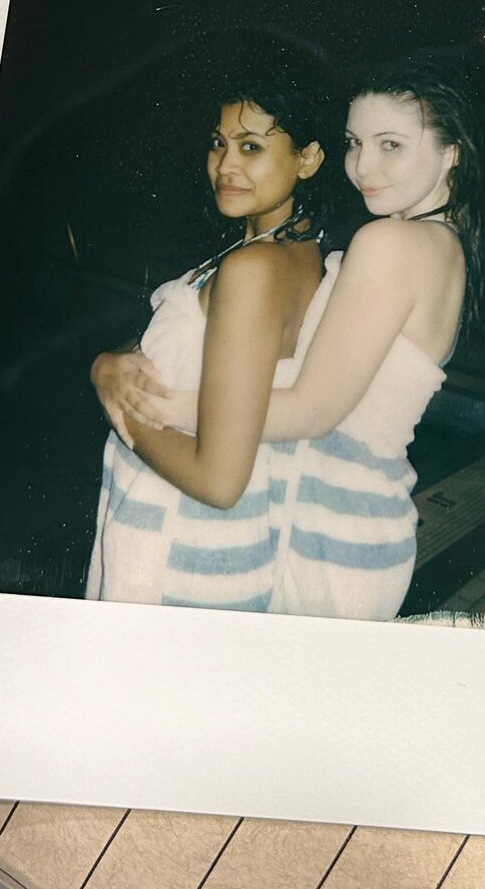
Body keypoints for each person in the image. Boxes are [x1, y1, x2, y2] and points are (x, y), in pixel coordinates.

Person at [100, 59, 482, 621]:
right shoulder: (439, 243)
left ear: (452, 152)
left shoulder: (391, 244)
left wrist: (138, 403)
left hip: (334, 534)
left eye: (391, 145)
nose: (363, 166)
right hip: (353, 524)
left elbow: (312, 410)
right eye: (354, 143)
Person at [85, 57, 348, 613]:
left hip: (176, 555)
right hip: (196, 545)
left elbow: (219, 479)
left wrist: (115, 399)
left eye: (251, 147)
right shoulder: (283, 252)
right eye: (218, 143)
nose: (225, 165)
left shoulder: (255, 269)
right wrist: (109, 361)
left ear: (308, 158)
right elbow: (179, 355)